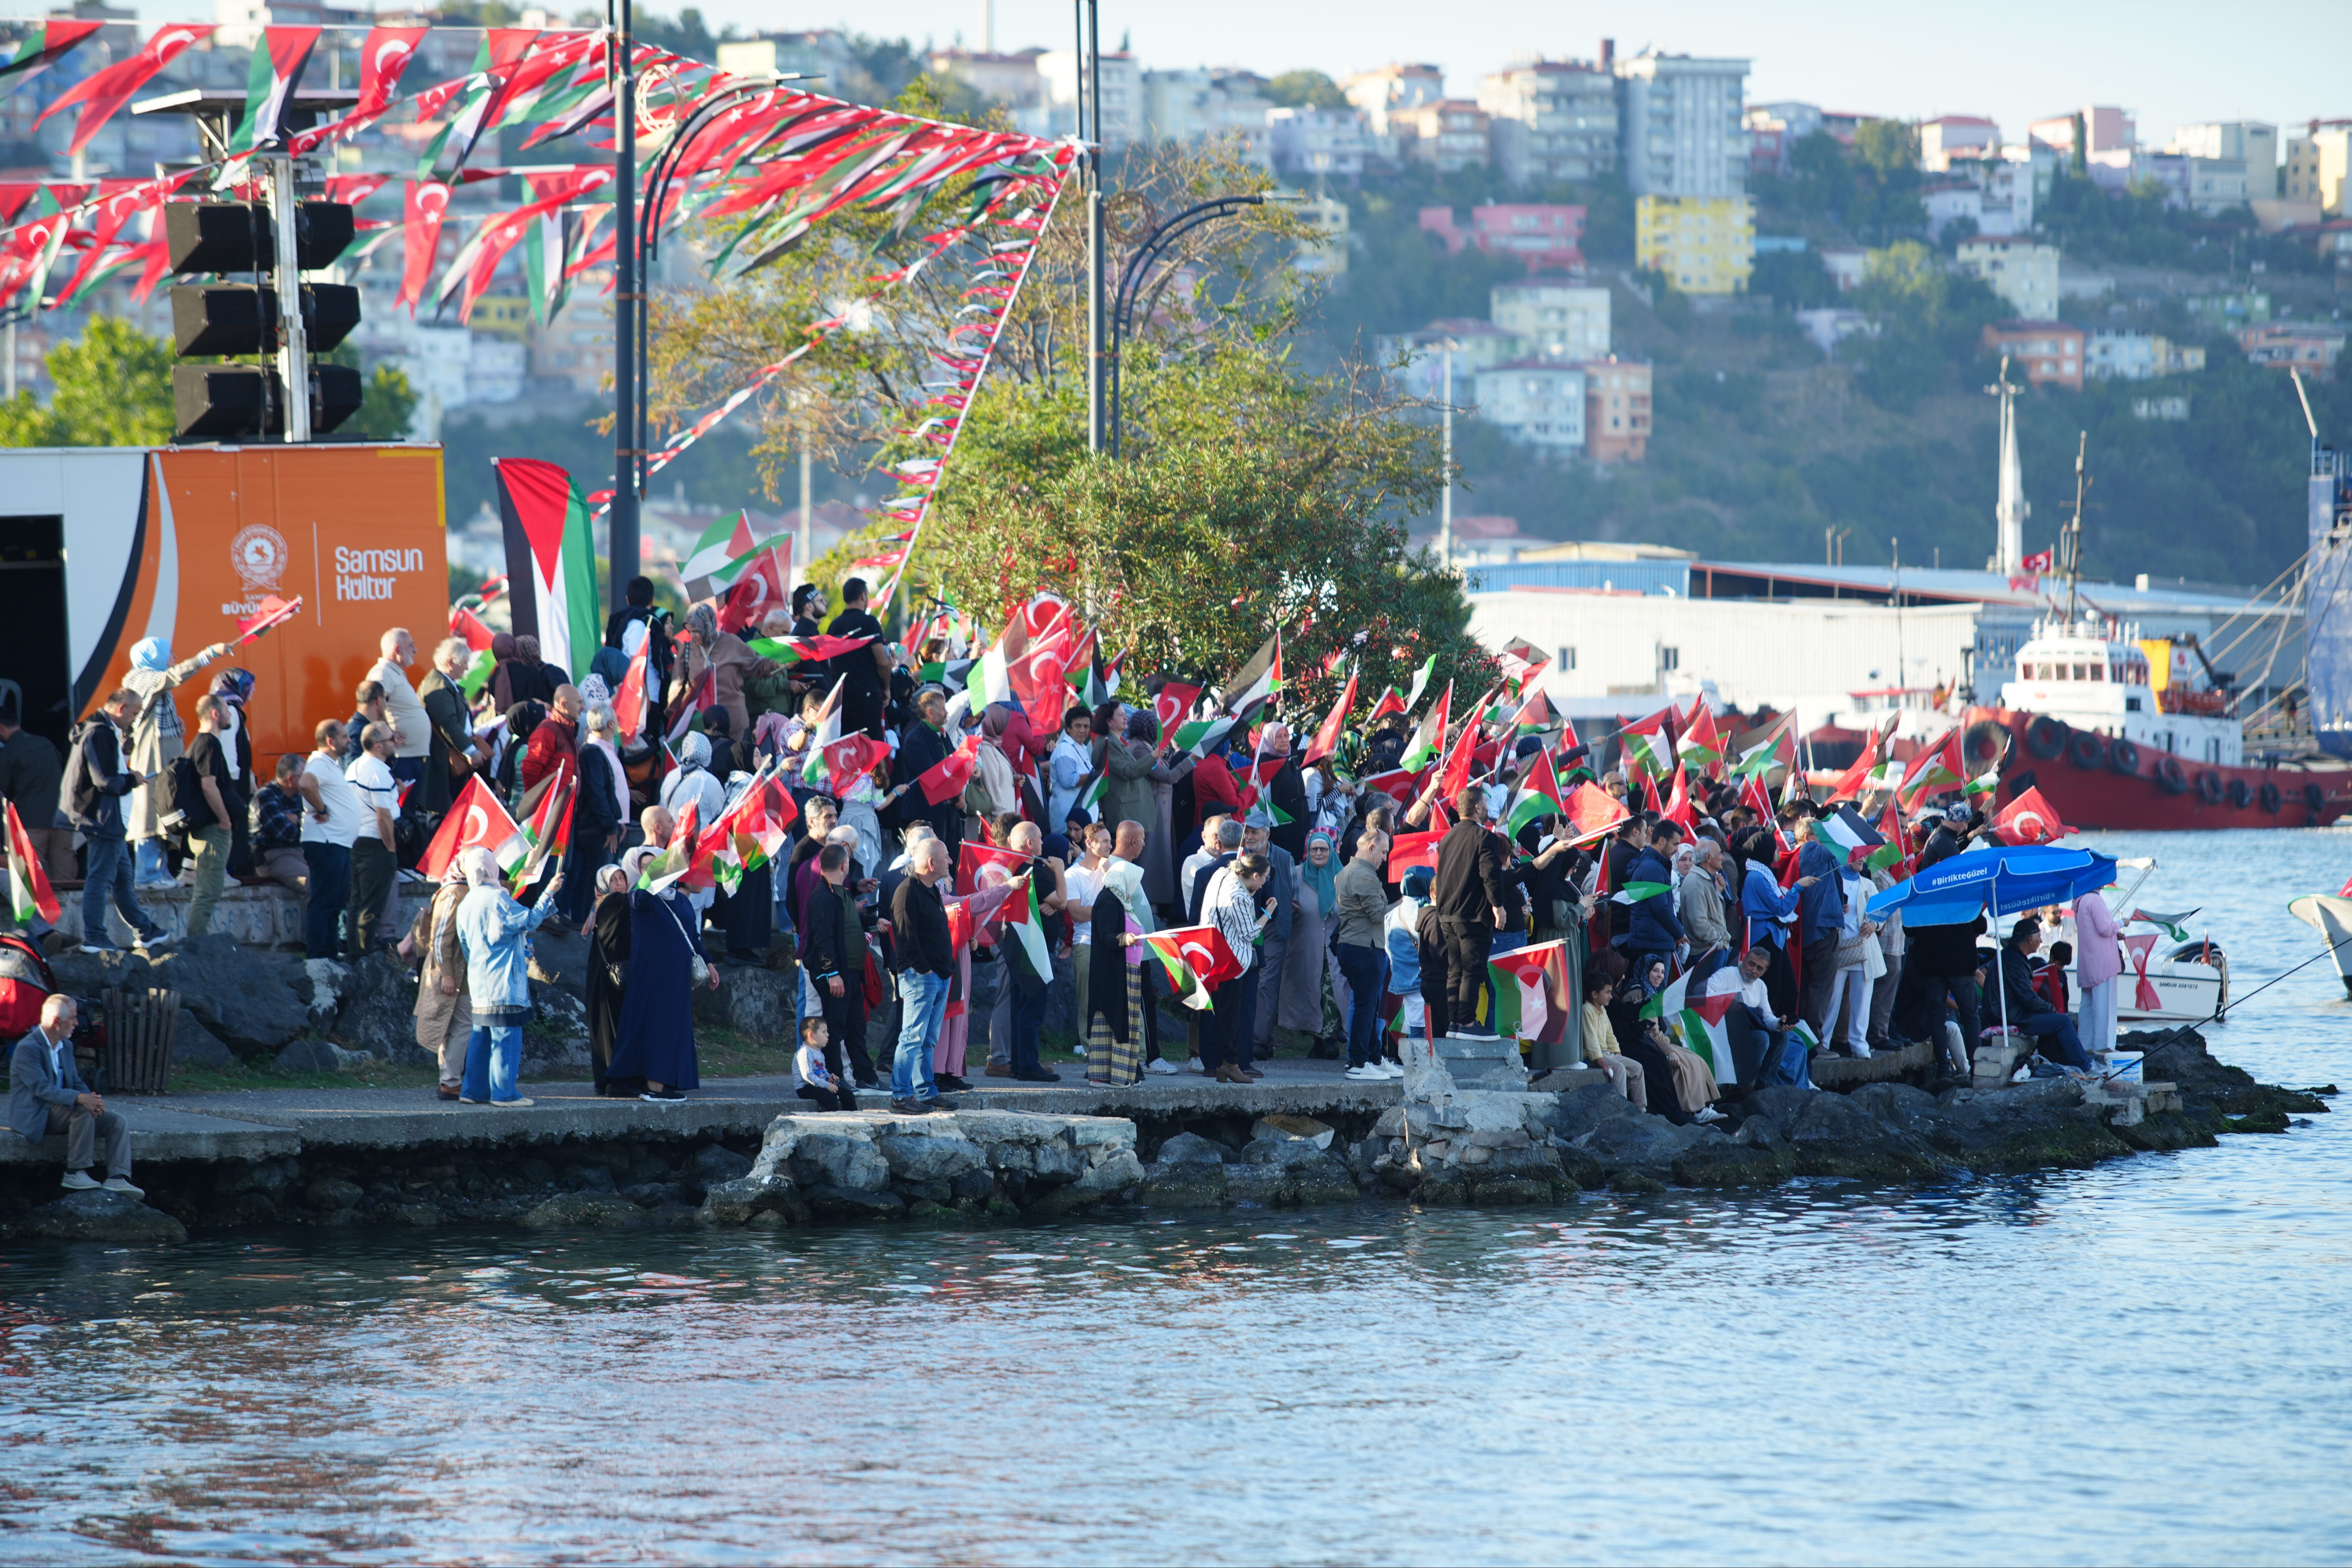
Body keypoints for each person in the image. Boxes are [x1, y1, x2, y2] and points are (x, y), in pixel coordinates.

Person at [607, 845, 719, 1102]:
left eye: (655, 865)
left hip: (677, 979)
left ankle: (662, 1081)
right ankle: (654, 1088)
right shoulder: (642, 898)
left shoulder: (680, 899)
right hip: (653, 977)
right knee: (658, 1028)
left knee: (672, 1028)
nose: (650, 870)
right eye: (645, 867)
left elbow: (693, 938)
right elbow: (640, 898)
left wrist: (709, 963)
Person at [454, 846, 564, 1107]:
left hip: (480, 983)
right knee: (506, 1036)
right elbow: (530, 920)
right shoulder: (497, 899)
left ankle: (473, 1091)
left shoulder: (466, 902)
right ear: (492, 868)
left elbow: (468, 946)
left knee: (480, 1037)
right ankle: (504, 1094)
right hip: (504, 983)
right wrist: (549, 892)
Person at [64, 690, 171, 954]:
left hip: (107, 818)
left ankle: (145, 930)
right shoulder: (100, 733)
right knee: (100, 878)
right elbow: (105, 781)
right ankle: (95, 937)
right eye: (134, 713)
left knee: (123, 878)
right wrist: (133, 780)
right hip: (103, 817)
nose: (134, 720)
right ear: (122, 708)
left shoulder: (95, 729)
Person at [122, 635, 228, 886]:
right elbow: (173, 677)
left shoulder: (152, 682)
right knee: (149, 813)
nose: (175, 658)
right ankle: (148, 874)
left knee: (165, 813)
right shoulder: (142, 678)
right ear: (154, 657)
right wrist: (208, 654)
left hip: (162, 757)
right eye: (170, 654)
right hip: (151, 759)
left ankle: (160, 872)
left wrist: (175, 722)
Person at [9, 995, 139, 1196]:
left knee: (117, 1122)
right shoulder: (28, 1049)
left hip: (64, 1110)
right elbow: (42, 1089)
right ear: (57, 1022)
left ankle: (118, 1178)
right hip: (36, 1114)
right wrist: (80, 1100)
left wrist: (92, 1100)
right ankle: (75, 1172)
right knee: (82, 1110)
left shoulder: (66, 1046)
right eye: (74, 1018)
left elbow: (76, 1080)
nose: (77, 1023)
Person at [1430, 788, 1511, 1038]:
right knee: (1473, 970)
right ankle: (1466, 1023)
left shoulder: (1448, 837)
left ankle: (1455, 1023)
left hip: (1448, 914)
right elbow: (1491, 874)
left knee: (1456, 970)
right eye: (1485, 802)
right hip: (1473, 916)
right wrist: (1498, 906)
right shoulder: (1483, 837)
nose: (1487, 807)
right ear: (1477, 807)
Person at [802, 842, 878, 1088]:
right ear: (844, 865)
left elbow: (851, 922)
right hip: (837, 976)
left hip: (852, 974)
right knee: (834, 1030)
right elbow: (823, 938)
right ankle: (836, 1078)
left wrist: (877, 923)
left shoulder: (842, 892)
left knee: (857, 1027)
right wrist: (832, 973)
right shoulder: (823, 897)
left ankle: (866, 1076)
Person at [888, 836, 954, 1113]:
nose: (951, 861)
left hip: (938, 975)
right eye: (947, 857)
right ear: (932, 863)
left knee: (928, 1039)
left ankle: (925, 1092)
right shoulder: (907, 892)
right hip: (921, 976)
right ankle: (900, 1095)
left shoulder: (932, 889)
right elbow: (905, 938)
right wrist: (925, 970)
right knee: (912, 1037)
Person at [1083, 839, 1153, 1086]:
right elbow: (1106, 936)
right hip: (1116, 972)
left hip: (1128, 972)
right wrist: (1125, 938)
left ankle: (1124, 1074)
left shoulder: (1121, 901)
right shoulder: (1109, 901)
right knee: (1112, 1022)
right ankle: (1107, 1076)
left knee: (1128, 1023)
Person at [1200, 851, 1271, 1084]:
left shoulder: (1222, 875)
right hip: (1232, 962)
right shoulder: (1238, 895)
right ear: (1253, 875)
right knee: (1230, 1016)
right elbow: (1250, 932)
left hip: (1214, 955)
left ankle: (1222, 1066)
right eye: (1263, 879)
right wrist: (1267, 914)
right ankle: (1230, 1064)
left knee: (1220, 1013)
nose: (1263, 886)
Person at [1332, 828, 1396, 1081]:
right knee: (1365, 1007)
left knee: (1369, 1006)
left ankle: (1373, 1059)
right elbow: (1378, 914)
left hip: (1356, 946)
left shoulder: (1347, 872)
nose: (1384, 858)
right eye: (1383, 852)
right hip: (1364, 947)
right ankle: (1358, 1062)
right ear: (1370, 848)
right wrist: (1402, 905)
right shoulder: (1364, 875)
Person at [409, 861, 474, 1100]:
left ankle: (450, 1081)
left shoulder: (459, 889)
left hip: (456, 971)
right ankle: (450, 1082)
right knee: (461, 1026)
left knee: (455, 1026)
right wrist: (447, 974)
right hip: (450, 972)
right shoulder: (453, 893)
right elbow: (439, 938)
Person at [1996, 916, 2093, 1072]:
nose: (2041, 941)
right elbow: (2028, 998)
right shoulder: (2015, 961)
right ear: (2030, 939)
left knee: (2056, 1020)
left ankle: (2066, 1062)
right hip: (2013, 1016)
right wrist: (2050, 1008)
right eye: (2039, 937)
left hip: (2012, 1011)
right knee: (2063, 1021)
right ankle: (2085, 1067)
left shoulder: (2012, 956)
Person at [0, 692, 72, 894]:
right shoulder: (47, 744)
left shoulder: (9, 753)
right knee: (65, 877)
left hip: (32, 823)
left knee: (33, 878)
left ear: (1, 728)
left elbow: (4, 789)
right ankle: (70, 921)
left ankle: (42, 924)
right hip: (62, 820)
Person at [179, 695, 238, 939]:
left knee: (207, 890)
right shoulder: (209, 744)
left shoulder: (201, 743)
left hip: (209, 829)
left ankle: (197, 943)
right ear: (215, 714)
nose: (230, 714)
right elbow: (208, 785)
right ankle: (196, 947)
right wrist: (224, 820)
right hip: (212, 830)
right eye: (226, 710)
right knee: (209, 891)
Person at [344, 722, 402, 956]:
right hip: (375, 844)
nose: (395, 742)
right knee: (371, 908)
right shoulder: (378, 771)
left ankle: (354, 956)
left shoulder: (355, 766)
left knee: (357, 904)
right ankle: (364, 960)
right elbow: (384, 818)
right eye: (391, 739)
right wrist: (391, 851)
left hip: (355, 841)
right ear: (379, 746)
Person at [567, 705, 627, 924]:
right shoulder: (593, 752)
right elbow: (596, 793)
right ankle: (585, 928)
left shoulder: (600, 750)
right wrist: (611, 825)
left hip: (602, 827)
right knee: (597, 883)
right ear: (610, 724)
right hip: (597, 830)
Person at [418, 636, 484, 819]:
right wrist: (471, 751)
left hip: (448, 758)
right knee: (441, 816)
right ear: (450, 663)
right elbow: (448, 724)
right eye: (464, 663)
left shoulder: (444, 683)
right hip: (442, 761)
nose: (467, 667)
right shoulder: (438, 685)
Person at [1794, 818, 1846, 1040]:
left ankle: (1805, 1041)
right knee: (1820, 990)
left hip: (1812, 930)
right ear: (1808, 837)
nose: (1824, 841)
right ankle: (1813, 1042)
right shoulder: (1810, 848)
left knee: (1809, 989)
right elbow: (1839, 845)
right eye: (1821, 835)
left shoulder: (1808, 852)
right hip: (1821, 931)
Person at [585, 863, 635, 1095]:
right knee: (614, 1028)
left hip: (603, 976)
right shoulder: (615, 903)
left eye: (622, 879)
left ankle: (604, 1081)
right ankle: (616, 1082)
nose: (620, 884)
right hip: (613, 980)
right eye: (613, 880)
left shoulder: (600, 906)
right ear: (602, 886)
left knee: (604, 1029)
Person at [826, 577, 893, 738]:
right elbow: (883, 662)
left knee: (848, 747)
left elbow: (830, 662)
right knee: (872, 748)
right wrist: (887, 688)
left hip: (844, 699)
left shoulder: (834, 626)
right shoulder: (870, 622)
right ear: (864, 596)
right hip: (868, 697)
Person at [1827, 862, 1879, 1059]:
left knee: (1863, 1000)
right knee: (1832, 999)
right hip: (1838, 948)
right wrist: (1836, 911)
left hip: (1863, 950)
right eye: (1858, 855)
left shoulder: (1868, 884)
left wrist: (1874, 924)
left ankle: (1859, 1044)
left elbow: (1880, 912)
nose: (1862, 859)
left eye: (1864, 856)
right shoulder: (1833, 879)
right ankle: (1824, 1041)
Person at [367, 628, 431, 785]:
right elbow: (372, 706)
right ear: (398, 650)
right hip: (401, 758)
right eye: (411, 646)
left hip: (409, 756)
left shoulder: (393, 672)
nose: (415, 650)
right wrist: (387, 733)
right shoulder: (383, 673)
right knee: (404, 807)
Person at [1623, 820, 1685, 977]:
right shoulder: (1652, 867)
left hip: (1653, 938)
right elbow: (1661, 908)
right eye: (1675, 844)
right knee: (1654, 995)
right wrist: (1679, 932)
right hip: (1653, 942)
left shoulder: (1653, 864)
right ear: (1662, 840)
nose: (1677, 850)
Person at [1384, 864, 1434, 1053]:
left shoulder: (1391, 915)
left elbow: (1388, 949)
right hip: (1426, 979)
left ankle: (1415, 1066)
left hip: (1403, 980)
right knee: (1424, 1030)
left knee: (1415, 1025)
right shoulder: (1427, 910)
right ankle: (1420, 1069)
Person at [1579, 972, 1647, 1109]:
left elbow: (1611, 1036)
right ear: (1595, 994)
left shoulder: (1603, 1010)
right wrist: (1601, 1061)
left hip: (1609, 1053)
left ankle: (1641, 1109)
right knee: (1620, 1069)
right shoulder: (1587, 1010)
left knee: (1637, 1068)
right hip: (1594, 1056)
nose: (1611, 996)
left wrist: (1618, 1054)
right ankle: (1619, 1109)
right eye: (1608, 992)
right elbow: (1591, 1040)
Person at [2074, 888, 2123, 1067]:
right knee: (2105, 1008)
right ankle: (2103, 1049)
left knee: (2087, 1008)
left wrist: (2114, 932)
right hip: (2103, 963)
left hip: (2088, 962)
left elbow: (2092, 930)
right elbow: (2105, 928)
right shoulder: (2094, 900)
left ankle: (2084, 1047)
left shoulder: (2079, 901)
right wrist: (2122, 922)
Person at [249, 753, 309, 893]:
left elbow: (321, 823)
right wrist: (305, 822)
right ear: (291, 779)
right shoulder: (265, 796)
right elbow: (288, 834)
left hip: (300, 852)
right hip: (273, 857)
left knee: (334, 876)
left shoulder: (300, 796)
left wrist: (298, 820)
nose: (309, 780)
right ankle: (312, 916)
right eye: (305, 776)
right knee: (310, 882)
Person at [794, 1016, 858, 1112]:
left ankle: (854, 1120)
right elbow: (808, 1076)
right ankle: (831, 1122)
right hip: (806, 1087)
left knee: (848, 1095)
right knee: (831, 1099)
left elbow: (822, 1071)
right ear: (811, 1036)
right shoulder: (805, 1053)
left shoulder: (819, 1052)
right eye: (824, 1032)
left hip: (820, 1085)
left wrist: (830, 1077)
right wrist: (827, 1086)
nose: (828, 1035)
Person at [1048, 705, 1095, 830]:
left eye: (1086, 727)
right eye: (1078, 726)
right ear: (1068, 728)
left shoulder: (1079, 747)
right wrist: (1096, 775)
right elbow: (1068, 781)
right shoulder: (1065, 749)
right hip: (1068, 824)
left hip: (1077, 820)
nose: (1082, 730)